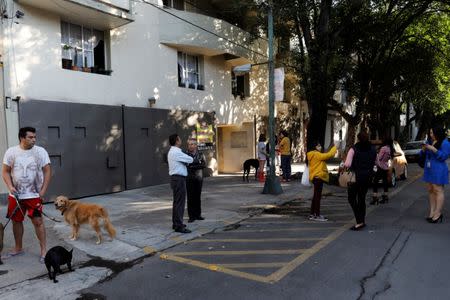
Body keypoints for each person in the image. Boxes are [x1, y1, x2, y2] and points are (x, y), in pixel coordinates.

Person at [2, 127, 51, 263]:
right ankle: (18, 248)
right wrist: (10, 187)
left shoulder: (40, 152)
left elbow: (47, 171)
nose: (34, 139)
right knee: (16, 221)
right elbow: (5, 171)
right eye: (30, 137)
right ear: (22, 138)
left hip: (34, 195)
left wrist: (43, 191)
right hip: (15, 196)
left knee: (38, 221)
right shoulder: (11, 152)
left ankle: (44, 251)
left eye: (35, 137)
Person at [344, 131, 376, 231]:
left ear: (358, 139)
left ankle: (359, 222)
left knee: (352, 198)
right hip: (367, 177)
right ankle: (362, 220)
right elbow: (377, 162)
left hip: (355, 177)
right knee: (362, 198)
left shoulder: (353, 149)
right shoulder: (373, 149)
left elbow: (348, 164)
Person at [421, 127, 450, 223]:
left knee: (438, 190)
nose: (431, 135)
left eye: (432, 133)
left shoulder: (445, 143)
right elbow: (422, 154)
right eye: (430, 133)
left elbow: (444, 156)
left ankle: (438, 213)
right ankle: (432, 212)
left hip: (439, 169)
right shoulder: (430, 141)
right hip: (429, 169)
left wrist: (433, 149)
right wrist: (424, 150)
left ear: (438, 132)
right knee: (431, 190)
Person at [167, 134, 193, 233]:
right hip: (179, 179)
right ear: (177, 141)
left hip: (175, 179)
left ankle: (176, 223)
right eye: (180, 138)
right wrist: (187, 159)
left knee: (177, 202)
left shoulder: (173, 151)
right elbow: (190, 159)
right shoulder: (176, 152)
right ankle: (179, 225)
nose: (181, 140)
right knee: (180, 203)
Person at [307, 141, 337, 221]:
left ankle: (312, 214)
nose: (320, 147)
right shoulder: (316, 154)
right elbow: (328, 155)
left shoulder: (311, 154)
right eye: (318, 146)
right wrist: (335, 147)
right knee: (317, 197)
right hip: (319, 177)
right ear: (315, 147)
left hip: (315, 177)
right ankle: (317, 215)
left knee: (315, 196)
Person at [185, 139, 206, 223]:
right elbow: (186, 165)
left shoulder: (200, 154)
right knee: (190, 198)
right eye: (189, 144)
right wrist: (197, 164)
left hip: (199, 178)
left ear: (196, 145)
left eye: (193, 144)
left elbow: (203, 165)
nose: (191, 146)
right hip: (189, 178)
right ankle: (191, 216)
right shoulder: (185, 155)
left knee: (197, 196)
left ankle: (198, 215)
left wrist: (192, 166)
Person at [371, 137, 394, 205]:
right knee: (385, 182)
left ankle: (375, 198)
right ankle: (385, 196)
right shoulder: (390, 149)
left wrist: (375, 158)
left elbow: (379, 158)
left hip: (380, 167)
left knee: (375, 181)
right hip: (385, 166)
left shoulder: (384, 148)